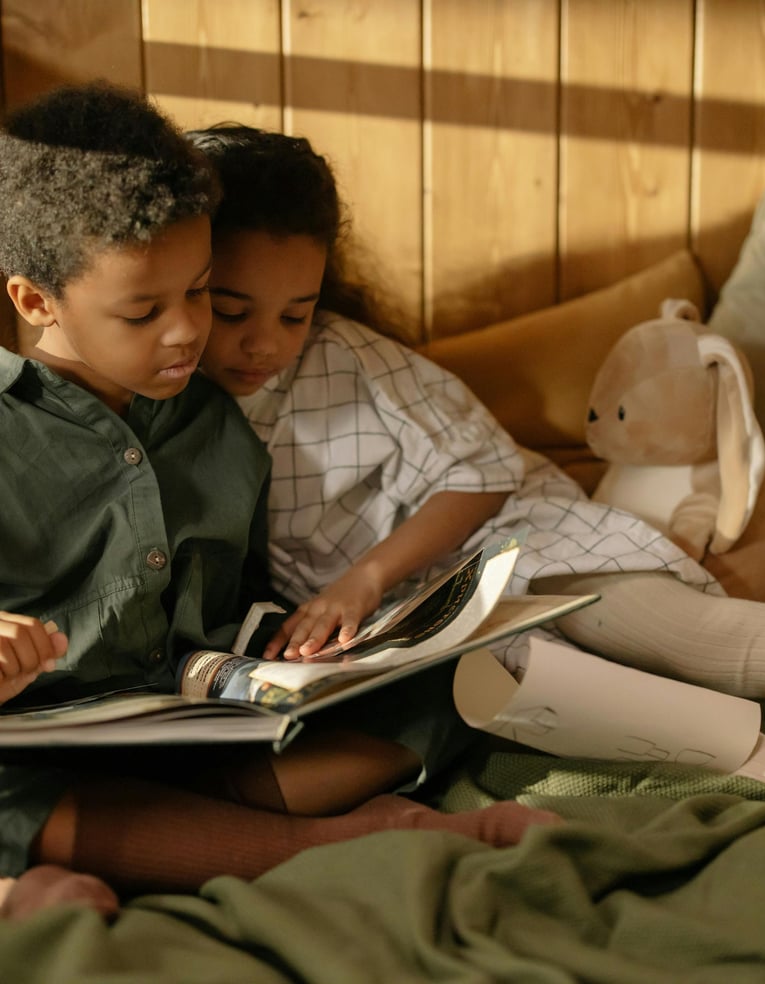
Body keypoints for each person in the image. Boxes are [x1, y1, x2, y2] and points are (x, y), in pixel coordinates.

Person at [0, 82, 559, 921]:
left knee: (462, 676)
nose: (187, 331)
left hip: (197, 732)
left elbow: (241, 603)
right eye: (144, 311)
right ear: (36, 301)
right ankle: (344, 841)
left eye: (198, 292)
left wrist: (306, 653)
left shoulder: (219, 427)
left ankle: (197, 829)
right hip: (42, 753)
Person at [189, 123, 765, 699]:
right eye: (233, 312)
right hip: (411, 621)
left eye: (295, 315)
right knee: (620, 702)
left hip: (512, 543)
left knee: (696, 643)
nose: (265, 344)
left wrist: (363, 580)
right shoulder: (172, 399)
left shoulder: (342, 355)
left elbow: (484, 475)